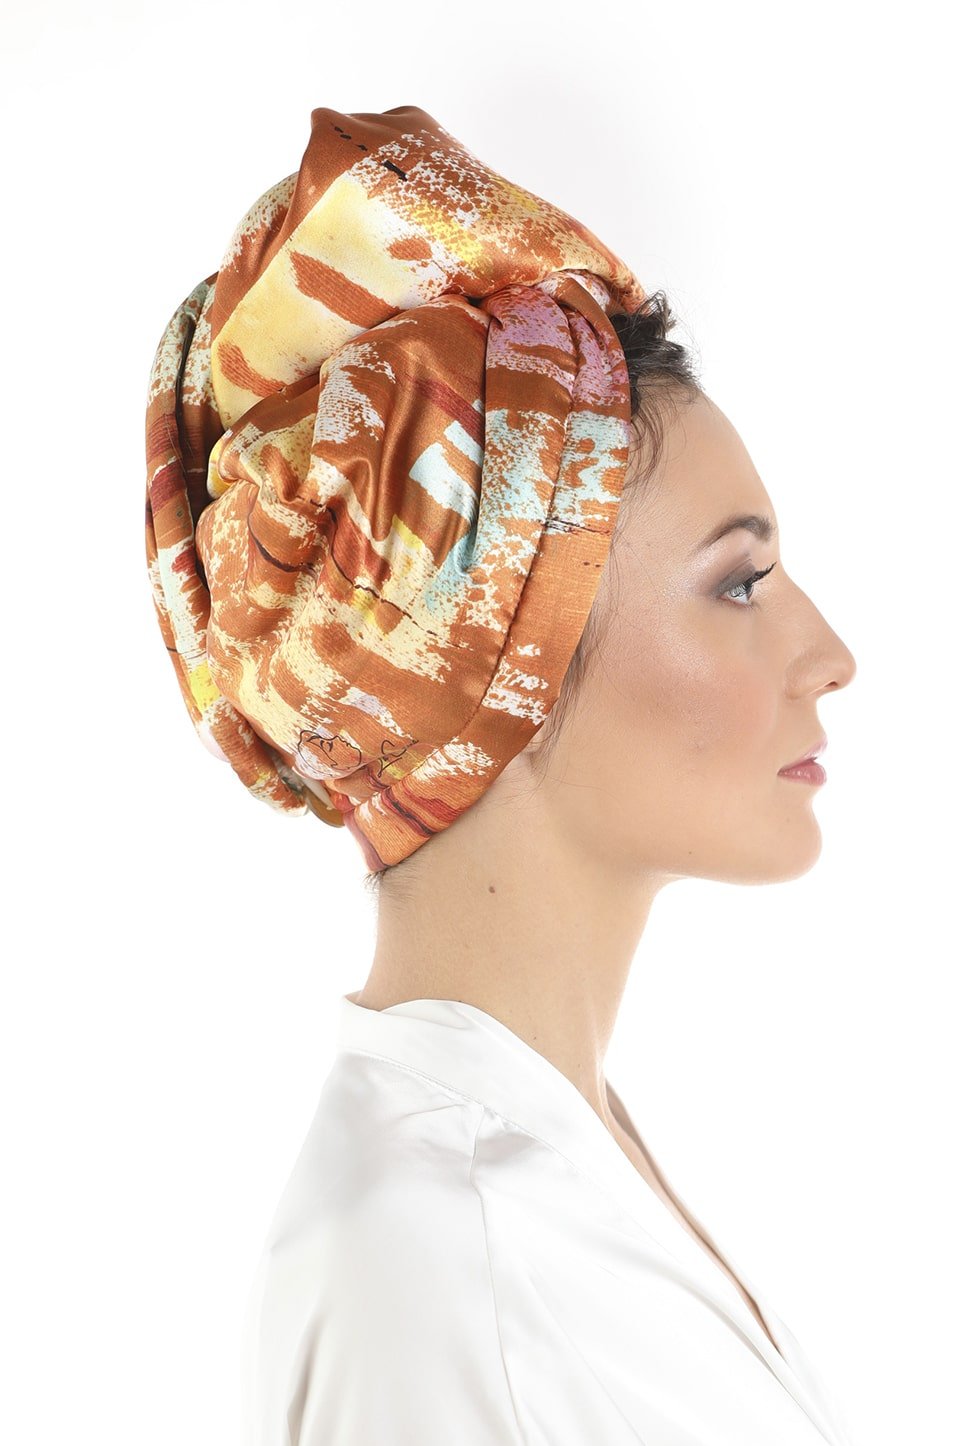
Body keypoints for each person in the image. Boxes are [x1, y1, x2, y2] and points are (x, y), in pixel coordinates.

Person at [145, 105, 857, 1444]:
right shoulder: (434, 1270)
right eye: (740, 582)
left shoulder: (531, 1164)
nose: (832, 657)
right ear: (500, 675)